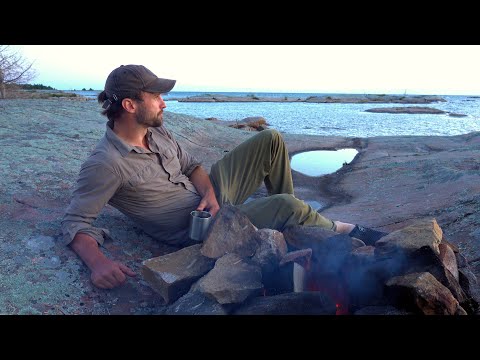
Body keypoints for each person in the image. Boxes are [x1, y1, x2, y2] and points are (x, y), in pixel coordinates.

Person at [62, 64, 387, 289]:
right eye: (156, 96)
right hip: (198, 230)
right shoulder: (105, 163)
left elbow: (193, 167)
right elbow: (75, 221)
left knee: (271, 140)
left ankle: (293, 225)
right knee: (286, 204)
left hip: (209, 201)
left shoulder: (156, 132)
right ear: (131, 105)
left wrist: (211, 195)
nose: (164, 102)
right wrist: (98, 263)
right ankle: (343, 229)